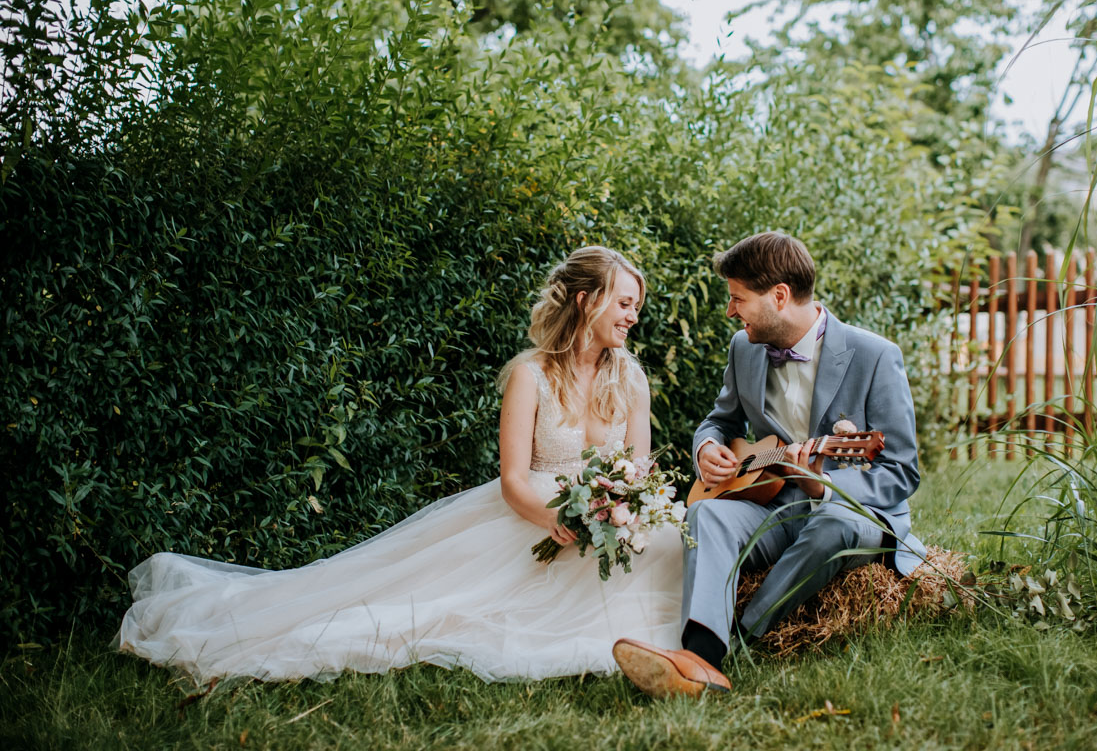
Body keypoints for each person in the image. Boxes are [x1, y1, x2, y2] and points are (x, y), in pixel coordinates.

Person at [115, 246, 683, 685]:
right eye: (625, 302)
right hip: (531, 518)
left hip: (609, 527)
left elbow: (640, 468)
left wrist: (621, 515)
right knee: (418, 612)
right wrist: (556, 521)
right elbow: (512, 480)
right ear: (587, 299)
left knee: (676, 556)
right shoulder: (529, 375)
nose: (633, 316)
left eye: (636, 305)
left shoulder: (630, 377)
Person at [613, 231, 927, 697]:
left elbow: (902, 471)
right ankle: (701, 655)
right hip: (772, 504)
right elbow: (717, 422)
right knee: (706, 512)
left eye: (738, 298)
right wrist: (706, 449)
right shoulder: (744, 349)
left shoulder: (876, 356)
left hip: (851, 513)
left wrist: (823, 486)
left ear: (779, 296)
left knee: (832, 525)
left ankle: (736, 642)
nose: (730, 311)